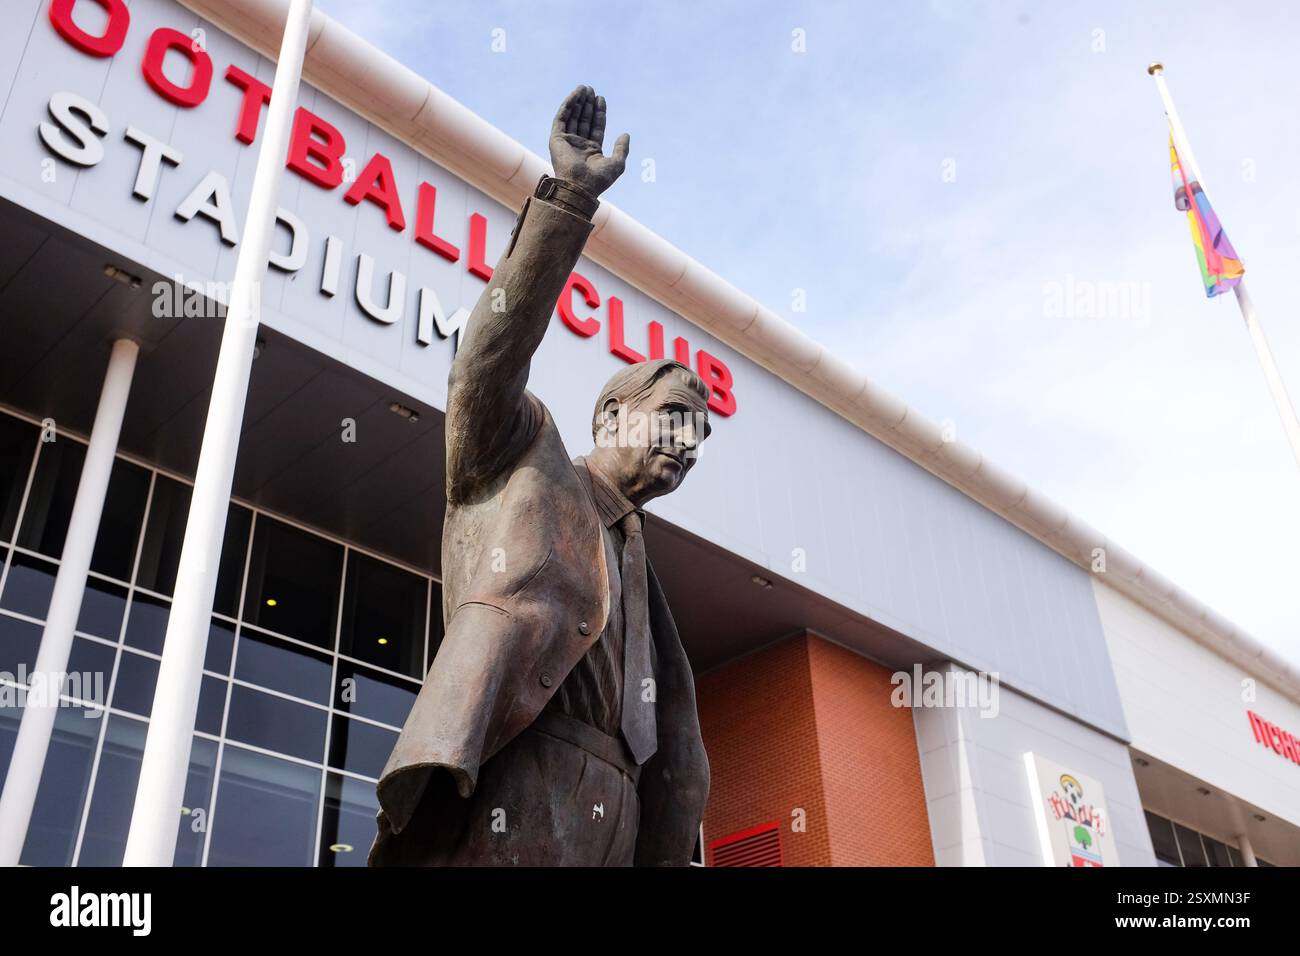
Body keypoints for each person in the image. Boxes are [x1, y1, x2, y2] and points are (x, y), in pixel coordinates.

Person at [369, 85, 711, 866]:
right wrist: (567, 204)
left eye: (701, 435)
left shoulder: (641, 563)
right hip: (520, 790)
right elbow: (484, 364)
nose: (688, 445)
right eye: (673, 418)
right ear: (609, 417)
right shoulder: (521, 458)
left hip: (621, 824)